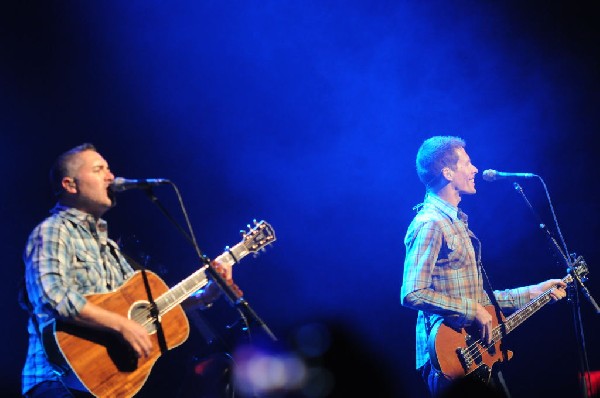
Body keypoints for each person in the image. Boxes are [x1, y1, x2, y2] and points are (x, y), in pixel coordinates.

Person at [20, 143, 233, 397]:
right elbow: (51, 297)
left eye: (109, 169)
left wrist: (202, 297)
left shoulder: (109, 247)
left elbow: (146, 310)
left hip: (106, 382)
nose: (111, 176)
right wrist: (121, 325)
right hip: (58, 382)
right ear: (70, 185)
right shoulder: (54, 231)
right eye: (99, 169)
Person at [400, 136, 567, 397]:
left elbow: (481, 302)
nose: (475, 169)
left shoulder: (456, 222)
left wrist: (536, 292)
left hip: (478, 354)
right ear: (447, 172)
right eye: (467, 163)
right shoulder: (430, 222)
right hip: (449, 360)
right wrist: (471, 310)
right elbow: (412, 292)